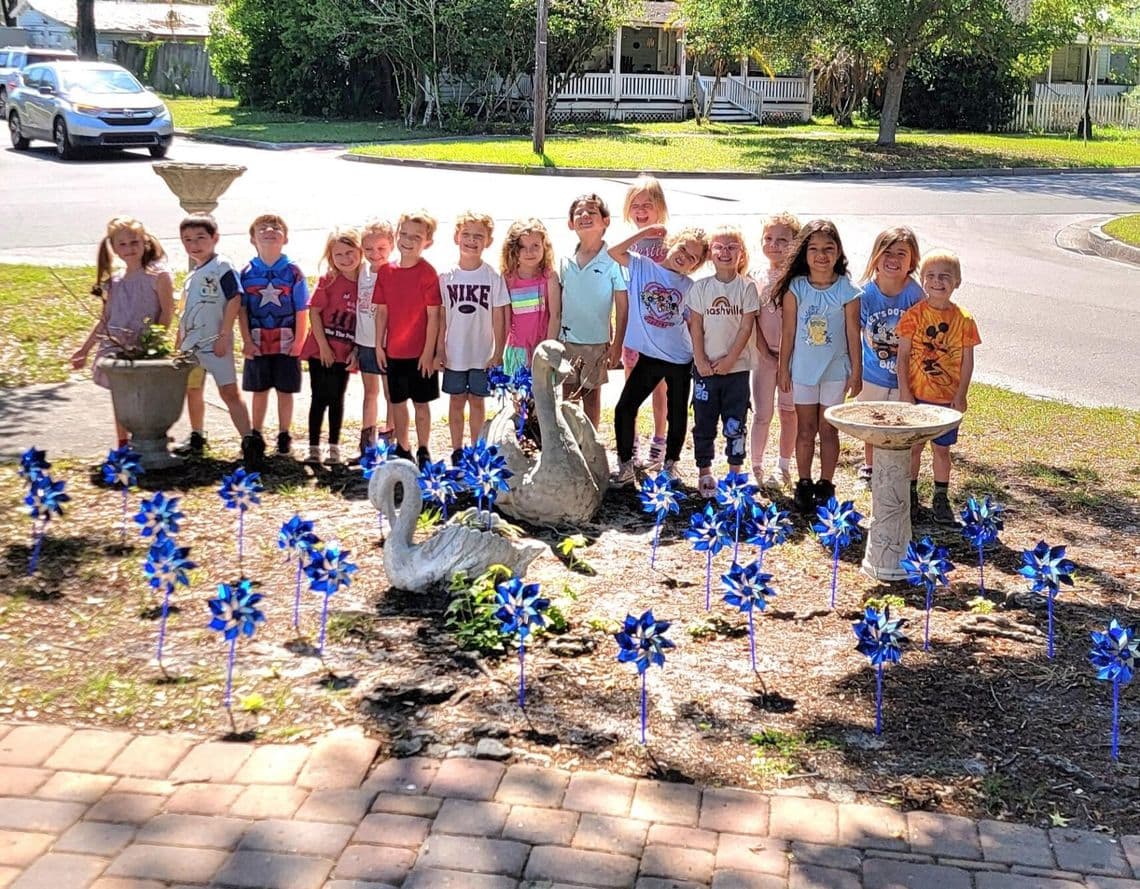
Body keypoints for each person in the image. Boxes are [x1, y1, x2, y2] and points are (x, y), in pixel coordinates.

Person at [774, 219, 862, 513]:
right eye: (814, 249)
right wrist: (783, 368)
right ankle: (803, 482)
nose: (821, 255)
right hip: (803, 371)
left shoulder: (847, 290)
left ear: (838, 252)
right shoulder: (796, 288)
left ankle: (826, 483)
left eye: (828, 248)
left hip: (835, 371)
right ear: (804, 253)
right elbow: (788, 332)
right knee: (805, 429)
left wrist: (857, 371)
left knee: (828, 430)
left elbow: (853, 334)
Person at [610, 224, 709, 485]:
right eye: (683, 248)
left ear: (695, 265)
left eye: (693, 257)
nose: (685, 256)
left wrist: (701, 357)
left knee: (676, 414)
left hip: (679, 359)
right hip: (649, 358)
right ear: (672, 243)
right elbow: (614, 251)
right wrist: (646, 232)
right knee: (624, 408)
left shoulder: (689, 286)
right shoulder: (643, 266)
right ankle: (625, 464)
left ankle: (670, 464)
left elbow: (693, 323)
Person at [71, 216, 174, 447]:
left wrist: (153, 342)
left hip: (144, 346)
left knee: (146, 397)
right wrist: (85, 349)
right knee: (121, 397)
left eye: (134, 242)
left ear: (145, 242)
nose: (129, 249)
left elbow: (167, 313)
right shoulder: (115, 281)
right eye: (123, 244)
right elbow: (105, 320)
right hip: (115, 347)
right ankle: (123, 444)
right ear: (115, 248)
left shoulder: (158, 276)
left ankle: (151, 440)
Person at [897, 249, 980, 525]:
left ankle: (941, 497)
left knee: (942, 450)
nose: (937, 281)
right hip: (919, 396)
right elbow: (903, 356)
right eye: (930, 276)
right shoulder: (914, 316)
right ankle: (910, 496)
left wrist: (961, 394)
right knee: (914, 448)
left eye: (945, 276)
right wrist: (905, 391)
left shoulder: (964, 320)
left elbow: (967, 361)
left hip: (947, 400)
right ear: (922, 280)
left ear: (957, 281)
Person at [173, 214, 263, 468]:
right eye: (187, 240)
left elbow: (235, 299)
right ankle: (197, 435)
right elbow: (185, 314)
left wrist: (225, 335)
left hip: (216, 344)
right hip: (192, 347)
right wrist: (178, 345)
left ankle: (249, 441)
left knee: (229, 391)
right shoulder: (191, 277)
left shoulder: (222, 266)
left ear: (215, 238)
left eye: (201, 238)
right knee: (193, 389)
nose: (194, 244)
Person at [687, 226, 759, 496]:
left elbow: (745, 328)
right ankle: (704, 472)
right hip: (705, 371)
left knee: (735, 423)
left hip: (736, 371)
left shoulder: (747, 288)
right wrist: (700, 359)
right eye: (719, 247)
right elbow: (696, 327)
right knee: (704, 422)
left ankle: (734, 473)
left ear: (741, 254)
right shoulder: (701, 288)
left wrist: (730, 360)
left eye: (732, 247)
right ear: (710, 254)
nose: (725, 252)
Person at [437, 211, 510, 465]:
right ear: (456, 237)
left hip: (482, 353)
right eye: (466, 234)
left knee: (477, 401)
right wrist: (439, 349)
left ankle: (477, 448)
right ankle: (457, 449)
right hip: (454, 351)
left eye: (478, 236)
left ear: (488, 241)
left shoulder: (492, 277)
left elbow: (499, 317)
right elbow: (441, 316)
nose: (471, 240)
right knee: (456, 400)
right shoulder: (446, 276)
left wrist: (499, 350)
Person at [855, 226, 924, 485]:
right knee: (872, 422)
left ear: (912, 261)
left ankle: (898, 470)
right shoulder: (865, 294)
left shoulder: (914, 294)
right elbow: (856, 332)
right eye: (887, 252)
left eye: (901, 253)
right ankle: (870, 465)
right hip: (872, 371)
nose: (893, 259)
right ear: (875, 257)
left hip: (903, 374)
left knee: (899, 424)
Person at [553, 193, 628, 430]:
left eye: (592, 212)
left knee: (591, 397)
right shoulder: (565, 260)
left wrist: (616, 345)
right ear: (570, 223)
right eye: (578, 213)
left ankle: (591, 442)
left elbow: (622, 306)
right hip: (566, 341)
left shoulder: (613, 260)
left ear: (605, 221)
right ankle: (572, 445)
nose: (585, 216)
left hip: (596, 342)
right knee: (567, 397)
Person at [237, 213, 309, 458]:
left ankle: (283, 433)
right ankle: (256, 433)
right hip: (257, 340)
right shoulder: (246, 273)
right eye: (262, 227)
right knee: (259, 390)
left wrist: (299, 341)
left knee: (285, 390)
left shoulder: (293, 272)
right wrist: (246, 341)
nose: (269, 230)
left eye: (276, 227)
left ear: (285, 238)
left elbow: (302, 309)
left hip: (286, 340)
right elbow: (242, 310)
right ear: (252, 239)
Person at [374, 210, 442, 467]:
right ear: (396, 235)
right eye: (404, 234)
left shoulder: (427, 273)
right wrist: (379, 345)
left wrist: (429, 352)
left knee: (421, 404)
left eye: (416, 236)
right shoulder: (386, 272)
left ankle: (424, 448)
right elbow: (381, 312)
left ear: (428, 242)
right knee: (397, 402)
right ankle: (403, 447)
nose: (408, 240)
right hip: (394, 352)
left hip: (420, 353)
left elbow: (434, 317)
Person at [298, 226, 362, 465]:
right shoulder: (329, 280)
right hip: (321, 351)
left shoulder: (366, 282)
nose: (345, 259)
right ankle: (313, 447)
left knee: (337, 398)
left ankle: (333, 447)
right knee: (319, 397)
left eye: (350, 252)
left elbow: (367, 321)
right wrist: (323, 346)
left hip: (345, 352)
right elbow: (314, 312)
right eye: (339, 255)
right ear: (330, 257)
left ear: (359, 250)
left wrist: (356, 350)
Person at [621, 175, 670, 469]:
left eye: (647, 205)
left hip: (660, 330)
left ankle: (660, 439)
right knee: (631, 388)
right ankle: (632, 439)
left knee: (659, 388)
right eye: (635, 205)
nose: (641, 211)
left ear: (659, 207)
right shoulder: (629, 243)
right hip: (633, 329)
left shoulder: (668, 241)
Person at [750, 212, 801, 488]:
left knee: (789, 411)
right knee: (762, 414)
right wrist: (765, 351)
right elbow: (752, 318)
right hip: (763, 357)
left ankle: (783, 466)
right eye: (768, 238)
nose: (774, 245)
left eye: (783, 240)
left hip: (793, 359)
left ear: (796, 243)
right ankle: (755, 466)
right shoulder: (755, 276)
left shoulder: (800, 279)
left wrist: (789, 356)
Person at [499, 218, 561, 375]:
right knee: (517, 398)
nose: (530, 252)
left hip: (542, 349)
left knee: (543, 398)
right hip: (516, 351)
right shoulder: (507, 279)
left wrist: (548, 349)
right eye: (522, 247)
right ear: (513, 250)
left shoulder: (550, 277)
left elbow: (555, 316)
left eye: (535, 246)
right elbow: (504, 320)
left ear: (544, 247)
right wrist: (498, 352)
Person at [356, 219, 396, 458]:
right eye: (369, 249)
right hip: (365, 341)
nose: (375, 254)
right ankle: (367, 438)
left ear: (391, 245)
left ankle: (390, 434)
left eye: (381, 248)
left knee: (391, 392)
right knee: (369, 391)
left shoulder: (394, 272)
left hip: (390, 343)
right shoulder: (361, 271)